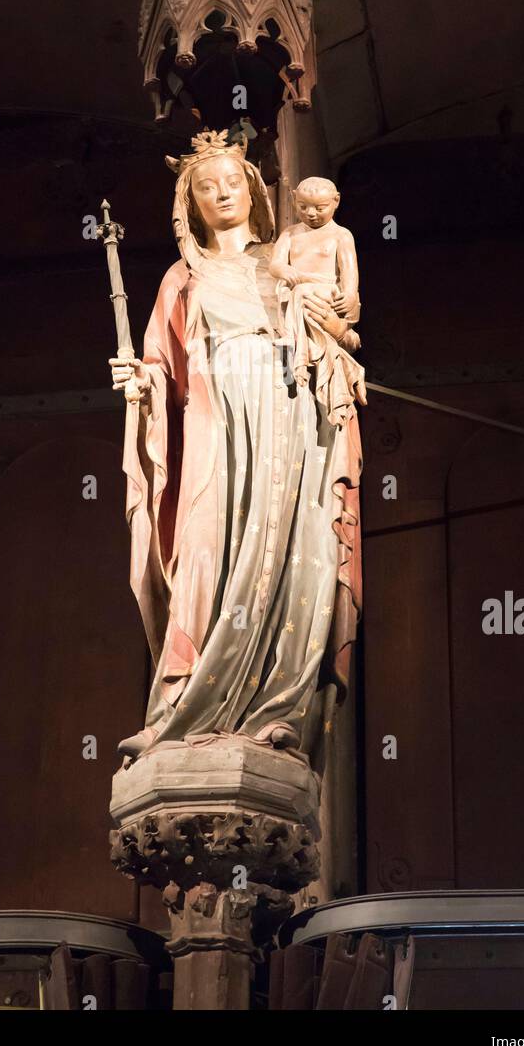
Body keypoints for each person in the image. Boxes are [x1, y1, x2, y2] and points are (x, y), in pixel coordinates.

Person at [108, 129, 363, 774]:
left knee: (292, 555)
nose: (221, 193)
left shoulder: (282, 257)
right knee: (203, 552)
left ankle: (280, 712)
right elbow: (162, 365)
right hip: (215, 424)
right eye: (205, 186)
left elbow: (337, 331)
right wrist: (140, 382)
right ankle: (180, 712)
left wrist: (324, 329)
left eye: (231, 181)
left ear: (252, 188)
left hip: (286, 418)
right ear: (188, 202)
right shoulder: (183, 277)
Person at [268, 175, 366, 425]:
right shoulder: (289, 234)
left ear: (336, 202)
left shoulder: (341, 235)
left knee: (301, 296)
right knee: (294, 296)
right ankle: (300, 351)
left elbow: (349, 271)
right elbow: (275, 264)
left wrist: (351, 293)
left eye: (319, 208)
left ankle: (298, 357)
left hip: (326, 292)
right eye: (303, 207)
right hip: (297, 292)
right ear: (293, 200)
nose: (311, 213)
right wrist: (283, 270)